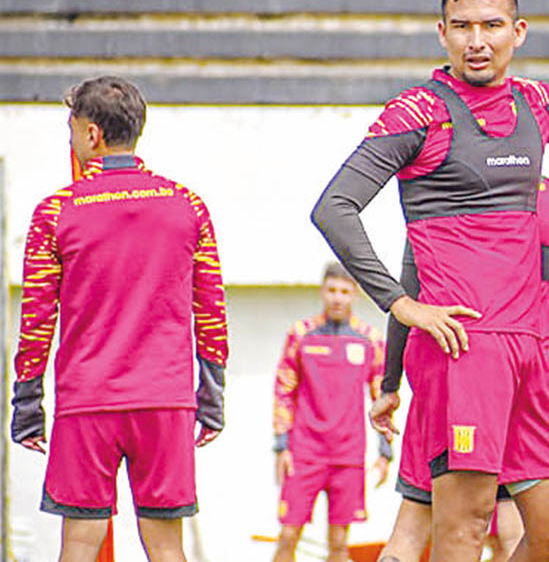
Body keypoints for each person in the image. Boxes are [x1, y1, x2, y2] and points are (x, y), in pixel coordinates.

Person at [311, 0, 549, 562]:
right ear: (441, 33)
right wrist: (401, 302)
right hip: (462, 350)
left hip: (527, 352)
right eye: (461, 26)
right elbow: (335, 207)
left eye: (491, 26)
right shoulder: (419, 111)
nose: (476, 41)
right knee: (463, 531)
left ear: (518, 32)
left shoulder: (536, 103)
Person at [11, 76, 228, 561]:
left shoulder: (55, 212)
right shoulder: (188, 205)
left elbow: (37, 319)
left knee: (80, 547)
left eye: (71, 129)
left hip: (88, 401)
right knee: (167, 548)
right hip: (164, 400)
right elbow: (211, 309)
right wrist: (212, 397)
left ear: (92, 135)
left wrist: (27, 403)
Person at [370, 175, 549, 562]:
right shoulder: (447, 185)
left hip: (524, 374)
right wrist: (392, 384)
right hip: (457, 363)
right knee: (442, 525)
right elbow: (411, 289)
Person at [271, 263, 393, 562]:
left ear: (355, 295)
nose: (338, 298)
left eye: (344, 291)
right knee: (288, 537)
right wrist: (281, 446)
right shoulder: (301, 335)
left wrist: (385, 451)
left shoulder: (370, 340)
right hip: (304, 451)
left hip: (348, 455)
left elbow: (383, 398)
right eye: (332, 290)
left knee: (339, 544)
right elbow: (283, 389)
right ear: (322, 291)